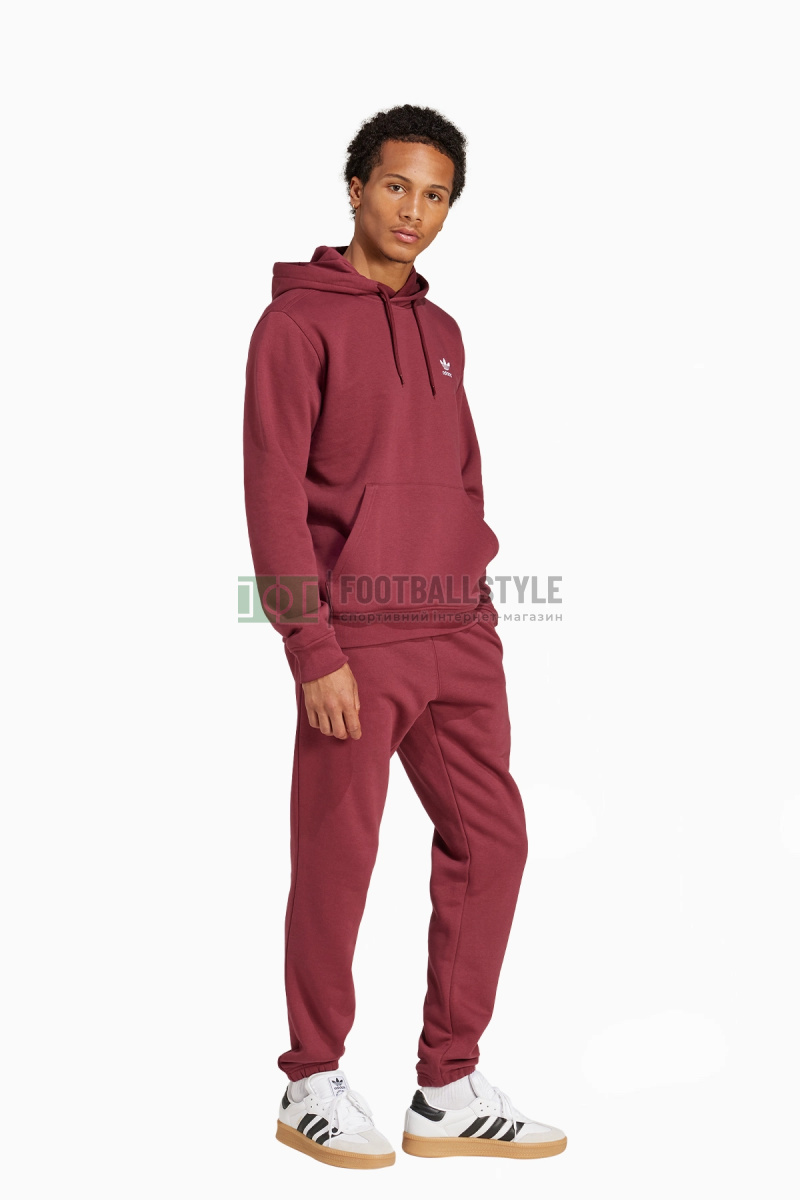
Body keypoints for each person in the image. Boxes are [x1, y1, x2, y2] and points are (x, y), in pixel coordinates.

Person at [243, 104, 567, 1169]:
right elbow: (272, 497)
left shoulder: (443, 332)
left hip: (458, 633)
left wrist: (475, 600)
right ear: (354, 188)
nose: (413, 211)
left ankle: (447, 1084)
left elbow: (465, 476)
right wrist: (311, 648)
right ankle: (311, 1080)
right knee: (337, 858)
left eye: (435, 195)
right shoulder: (295, 326)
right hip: (356, 639)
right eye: (396, 186)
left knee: (493, 840)